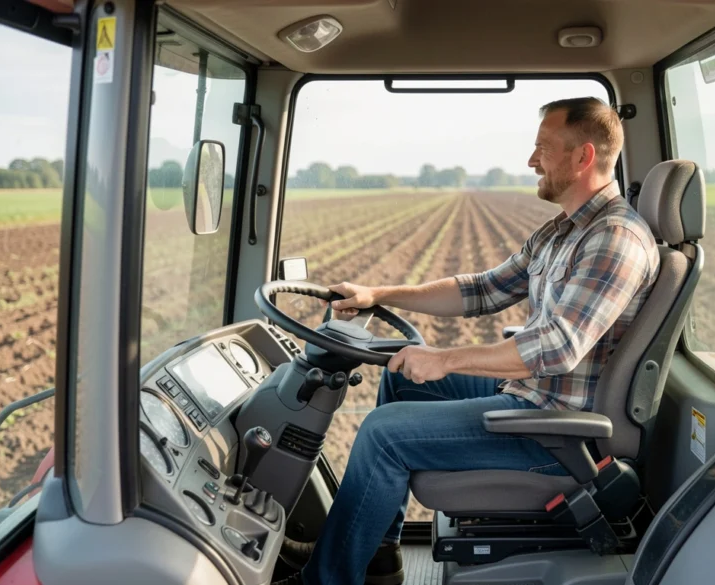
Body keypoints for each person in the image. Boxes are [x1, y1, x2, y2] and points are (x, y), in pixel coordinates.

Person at [274, 97, 659, 585]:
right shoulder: (563, 232)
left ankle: (325, 581)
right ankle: (376, 553)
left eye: (543, 147)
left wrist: (445, 359)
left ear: (583, 157)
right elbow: (483, 289)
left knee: (381, 433)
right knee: (399, 385)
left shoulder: (615, 238)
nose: (531, 159)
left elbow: (558, 346)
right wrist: (379, 293)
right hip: (533, 398)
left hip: (556, 431)